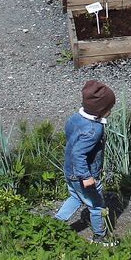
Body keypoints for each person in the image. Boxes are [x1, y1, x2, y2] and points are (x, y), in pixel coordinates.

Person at [53, 81, 116, 245]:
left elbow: (70, 137)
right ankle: (100, 237)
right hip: (84, 175)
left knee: (75, 197)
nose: (111, 110)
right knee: (97, 206)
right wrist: (86, 177)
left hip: (69, 170)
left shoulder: (75, 118)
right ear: (101, 111)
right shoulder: (94, 130)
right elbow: (79, 153)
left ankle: (54, 224)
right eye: (110, 107)